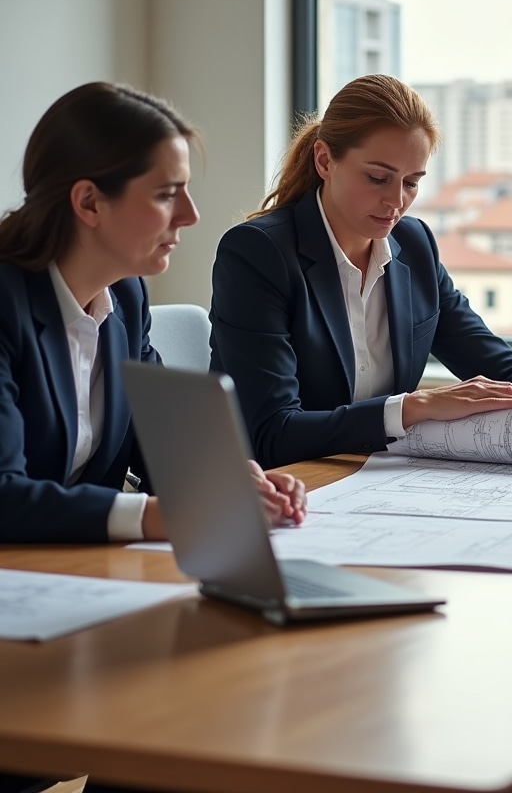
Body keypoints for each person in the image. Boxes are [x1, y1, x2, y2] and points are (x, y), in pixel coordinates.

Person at [0, 82, 307, 793]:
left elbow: (160, 436)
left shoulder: (126, 294)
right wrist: (158, 514)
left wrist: (237, 480)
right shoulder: (6, 306)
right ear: (88, 202)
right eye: (168, 193)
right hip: (20, 621)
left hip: (69, 596)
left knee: (201, 703)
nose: (193, 215)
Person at [210, 73, 512, 469]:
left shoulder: (415, 246)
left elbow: (502, 370)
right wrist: (413, 407)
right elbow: (272, 433)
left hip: (367, 479)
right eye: (377, 178)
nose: (396, 201)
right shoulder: (258, 253)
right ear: (324, 160)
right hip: (281, 484)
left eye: (411, 182)